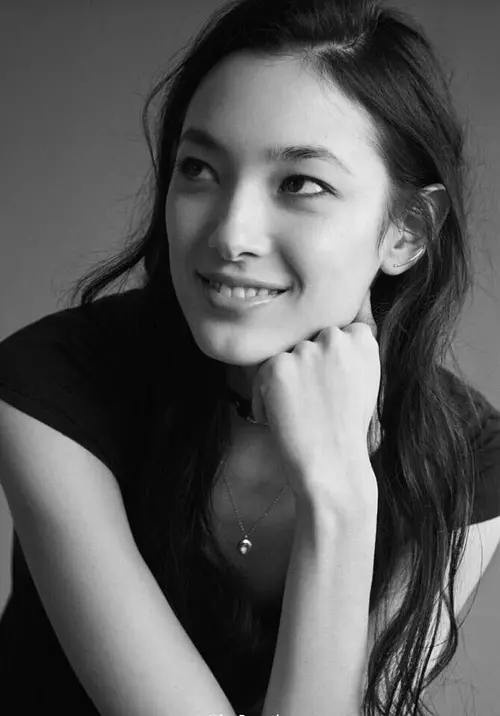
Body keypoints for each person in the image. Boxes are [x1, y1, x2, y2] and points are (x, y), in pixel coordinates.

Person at [0, 0, 500, 714]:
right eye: (199, 168)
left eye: (300, 184)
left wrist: (338, 491)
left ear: (407, 231)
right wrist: (339, 501)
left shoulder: (468, 460)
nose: (231, 233)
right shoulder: (52, 391)